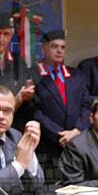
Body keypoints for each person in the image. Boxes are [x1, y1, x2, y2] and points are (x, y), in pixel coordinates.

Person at [31, 30, 91, 175]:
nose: (59, 51)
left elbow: (86, 106)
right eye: (54, 46)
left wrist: (76, 131)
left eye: (62, 47)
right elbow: (33, 111)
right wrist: (60, 135)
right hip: (47, 144)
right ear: (43, 48)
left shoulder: (77, 75)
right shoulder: (31, 75)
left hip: (77, 142)